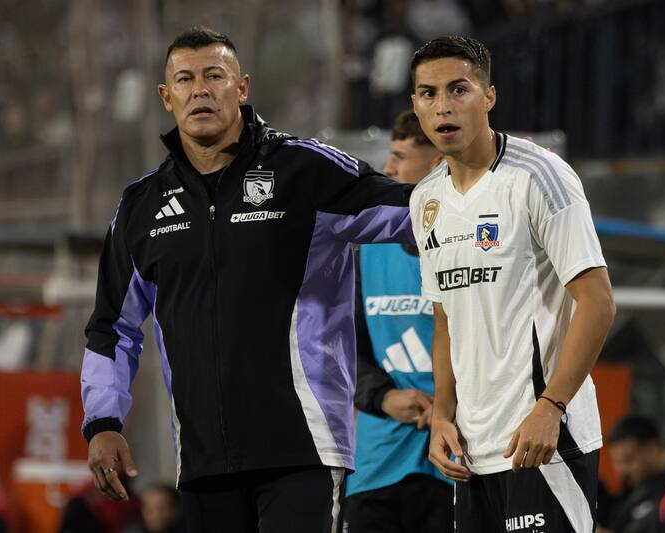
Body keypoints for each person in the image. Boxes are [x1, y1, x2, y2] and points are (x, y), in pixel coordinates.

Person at [80, 26, 414, 533]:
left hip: (303, 448)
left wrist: (484, 194)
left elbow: (409, 212)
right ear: (166, 97)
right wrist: (102, 422)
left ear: (242, 87)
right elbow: (110, 328)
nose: (201, 90)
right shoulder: (140, 207)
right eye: (186, 80)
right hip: (203, 460)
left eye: (215, 76)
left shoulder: (306, 170)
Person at [408, 35, 616, 532]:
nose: (443, 107)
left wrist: (552, 407)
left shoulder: (539, 175)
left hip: (545, 441)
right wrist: (442, 416)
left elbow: (598, 301)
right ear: (415, 104)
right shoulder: (425, 201)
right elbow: (445, 322)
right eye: (428, 94)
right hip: (473, 453)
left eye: (458, 90)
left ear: (489, 96)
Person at [344, 111, 451, 532]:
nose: (388, 168)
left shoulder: (473, 250)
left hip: (455, 462)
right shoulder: (366, 251)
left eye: (400, 156)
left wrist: (448, 406)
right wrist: (384, 398)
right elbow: (343, 352)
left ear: (438, 164)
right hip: (377, 462)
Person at [602, 416, 665, 533]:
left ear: (652, 448)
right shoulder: (634, 489)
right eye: (617, 462)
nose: (622, 470)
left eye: (628, 460)